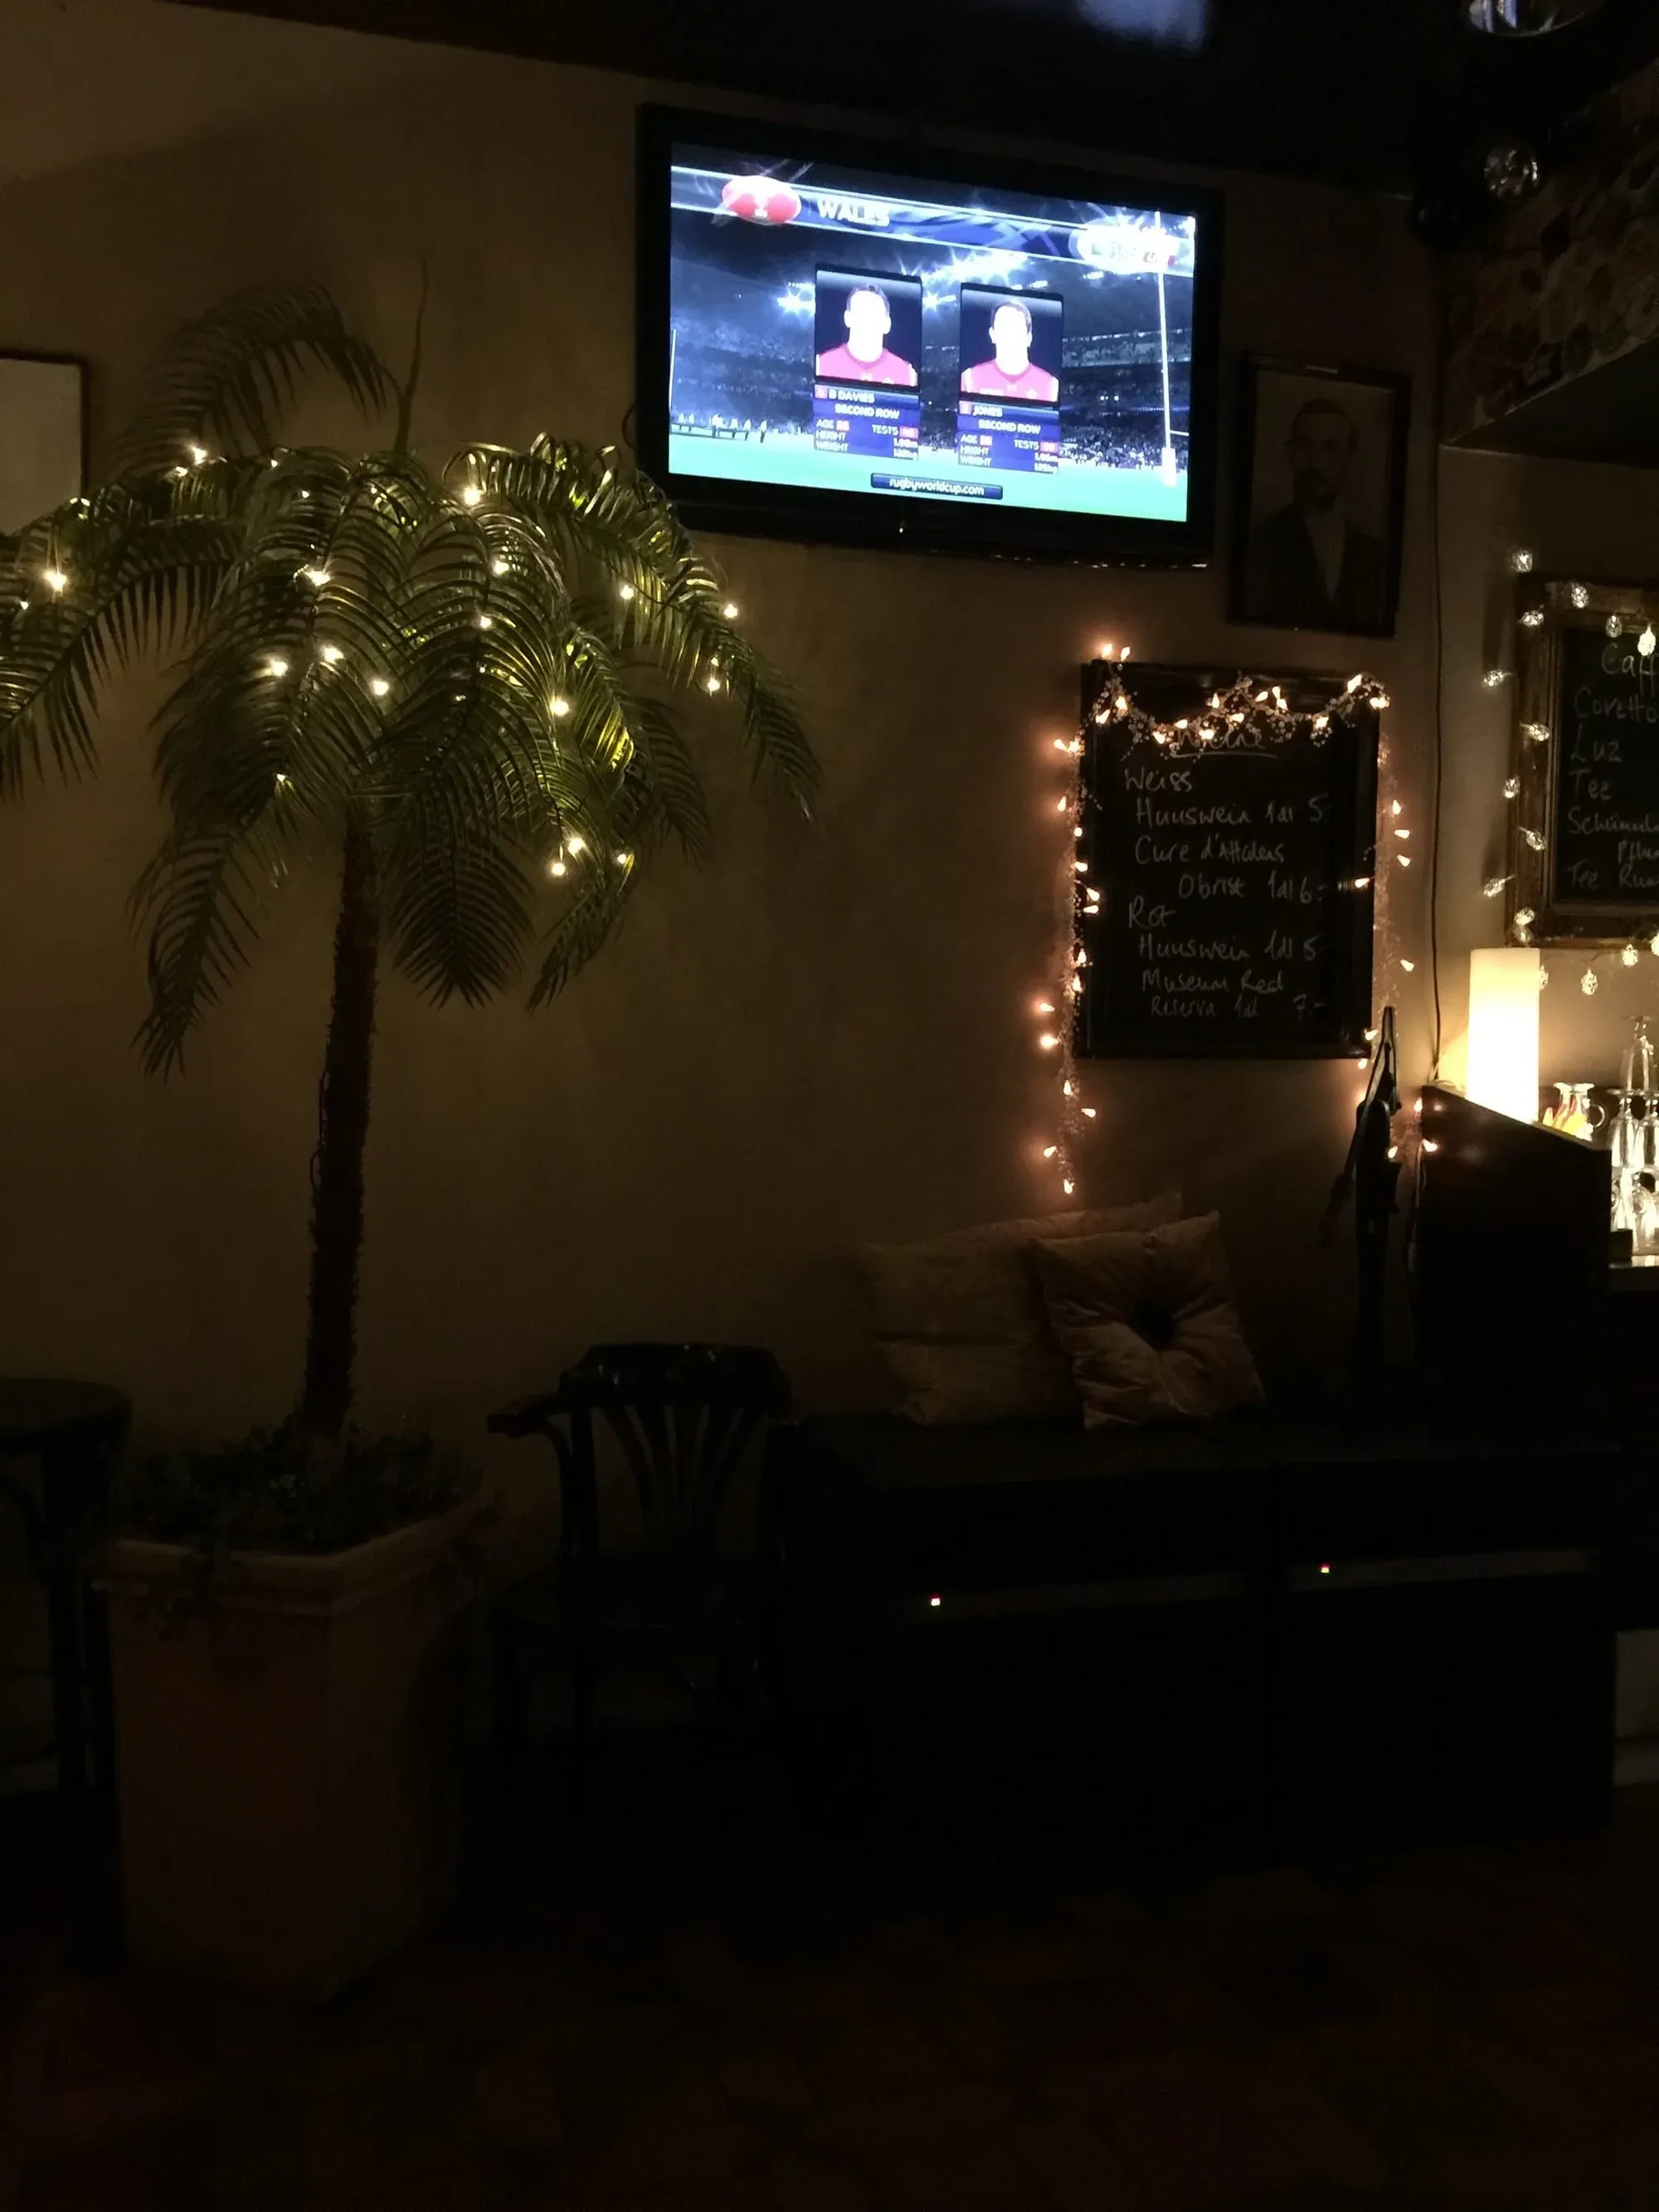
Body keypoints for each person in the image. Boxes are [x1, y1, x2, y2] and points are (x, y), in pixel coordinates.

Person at [1245, 397, 1386, 631]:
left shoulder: (1372, 554)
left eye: (1329, 447)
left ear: (1349, 457)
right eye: (1305, 446)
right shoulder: (1262, 542)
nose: (1316, 462)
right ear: (1290, 453)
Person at [815, 284, 917, 386]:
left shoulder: (907, 375)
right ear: (847, 318)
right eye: (861, 313)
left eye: (874, 315)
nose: (867, 321)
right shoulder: (822, 366)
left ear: (887, 324)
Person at [961, 299, 1060, 404]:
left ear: (1029, 338)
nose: (1009, 335)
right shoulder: (969, 379)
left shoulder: (1051, 386)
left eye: (1016, 328)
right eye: (1004, 327)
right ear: (992, 335)